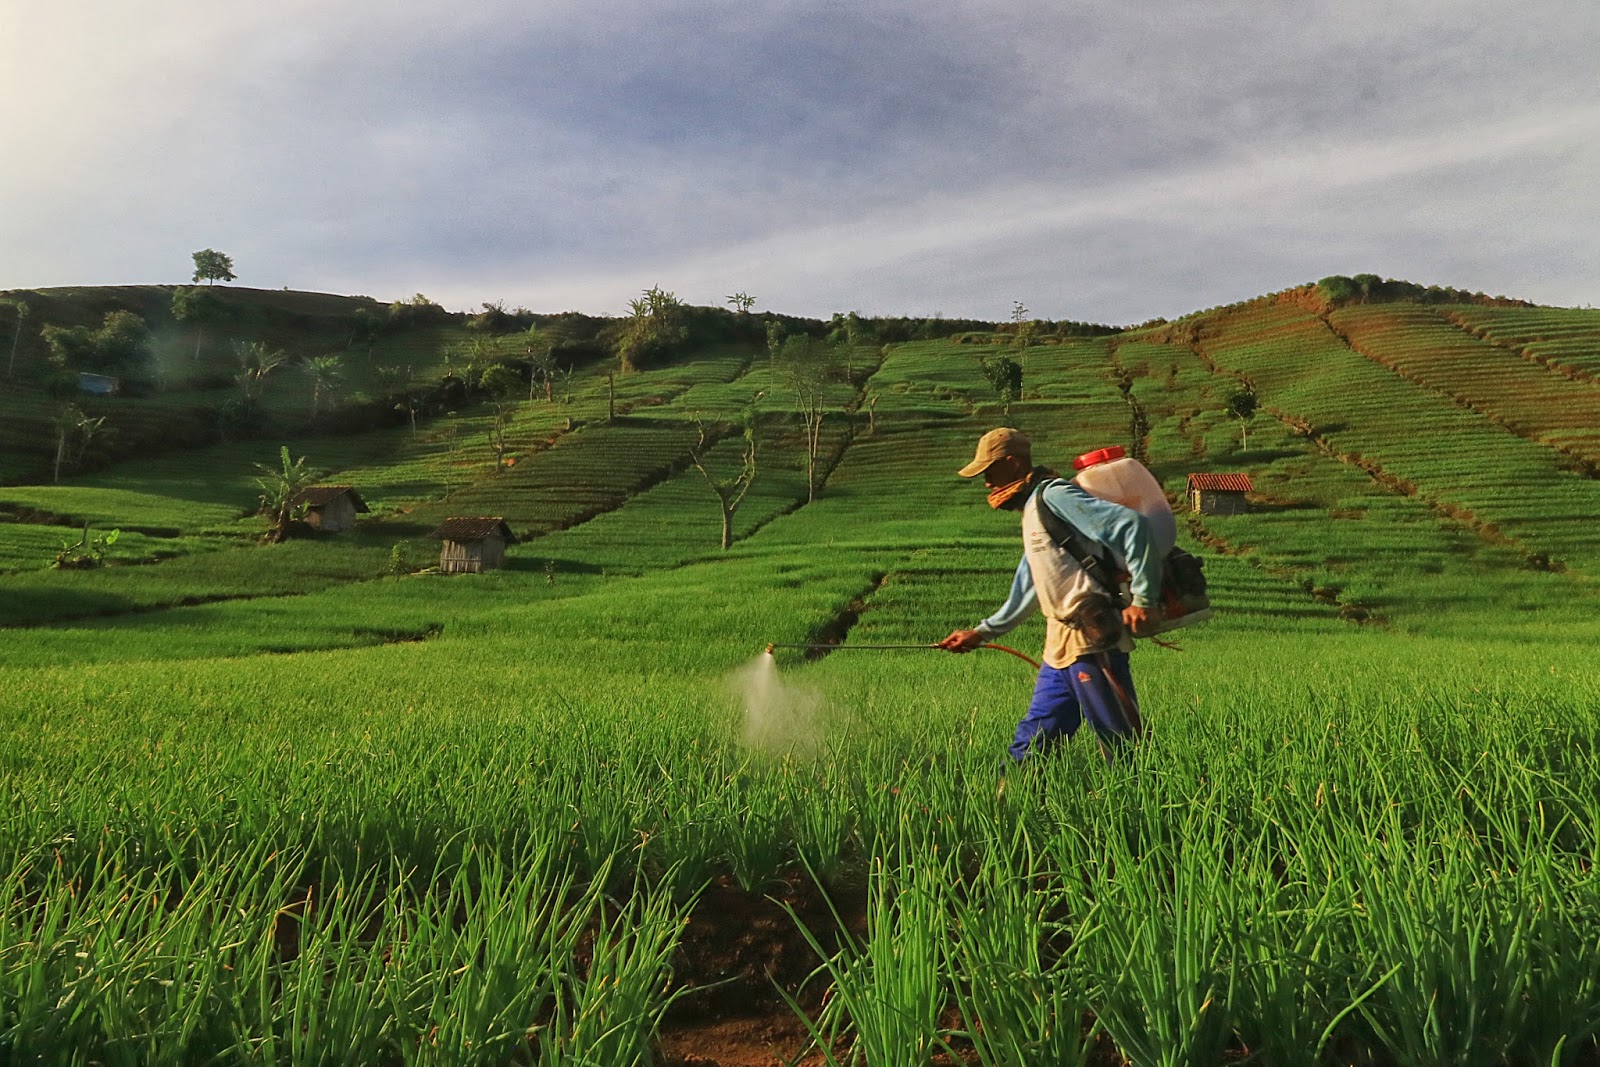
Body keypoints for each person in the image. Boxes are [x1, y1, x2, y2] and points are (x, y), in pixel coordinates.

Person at [938, 428, 1161, 761]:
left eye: (989, 470)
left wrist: (1143, 599)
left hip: (1092, 639)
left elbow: (1133, 526)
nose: (986, 482)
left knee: (1120, 744)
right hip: (1060, 646)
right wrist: (982, 632)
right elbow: (1029, 587)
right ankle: (1008, 801)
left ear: (1012, 463)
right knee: (1035, 737)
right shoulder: (1032, 511)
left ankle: (1137, 804)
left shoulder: (1054, 495)